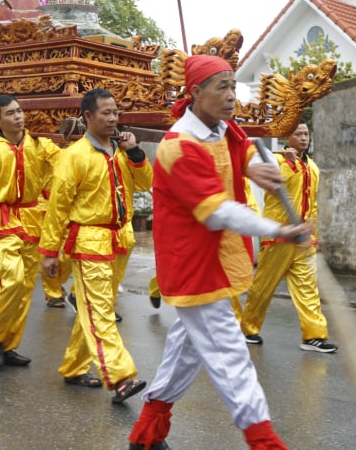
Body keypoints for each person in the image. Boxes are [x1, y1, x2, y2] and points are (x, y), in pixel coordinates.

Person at [127, 55, 311, 450]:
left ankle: (146, 433)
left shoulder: (221, 128)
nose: (232, 96)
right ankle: (265, 442)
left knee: (185, 350)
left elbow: (237, 147)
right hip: (195, 264)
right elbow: (219, 213)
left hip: (219, 259)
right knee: (231, 356)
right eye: (221, 87)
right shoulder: (179, 147)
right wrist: (279, 229)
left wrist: (251, 167)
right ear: (195, 93)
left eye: (233, 86)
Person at [40, 88, 152, 402]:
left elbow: (146, 183)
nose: (113, 118)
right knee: (101, 312)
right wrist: (49, 251)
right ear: (87, 116)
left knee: (93, 309)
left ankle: (75, 366)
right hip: (89, 242)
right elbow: (57, 207)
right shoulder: (74, 156)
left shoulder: (120, 150)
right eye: (106, 112)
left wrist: (135, 153)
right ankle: (120, 377)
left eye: (116, 112)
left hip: (118, 240)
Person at [0, 94, 60, 367]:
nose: (18, 116)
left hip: (33, 220)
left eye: (20, 111)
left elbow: (66, 162)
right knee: (11, 280)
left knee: (24, 290)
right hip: (3, 221)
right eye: (10, 113)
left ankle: (8, 346)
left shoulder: (39, 145)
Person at [239, 122, 336, 353]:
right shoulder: (275, 161)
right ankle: (248, 329)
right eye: (298, 134)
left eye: (306, 134)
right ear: (287, 138)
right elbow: (273, 183)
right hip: (279, 235)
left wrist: (313, 232)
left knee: (308, 288)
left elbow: (311, 202)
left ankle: (314, 336)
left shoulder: (313, 166)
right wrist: (287, 161)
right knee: (263, 287)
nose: (303, 138)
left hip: (304, 238)